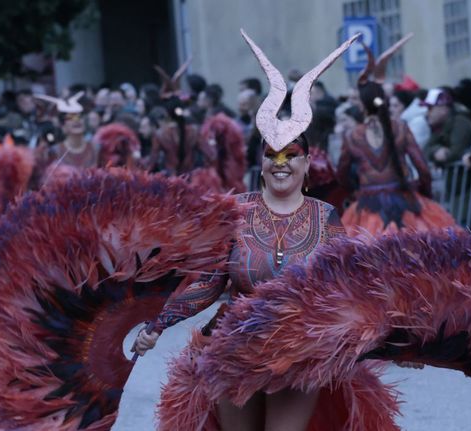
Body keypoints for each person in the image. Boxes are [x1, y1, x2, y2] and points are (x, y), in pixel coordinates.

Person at [134, 30, 373, 431]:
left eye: (291, 155)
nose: (281, 163)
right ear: (261, 161)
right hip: (234, 344)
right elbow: (209, 282)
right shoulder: (235, 211)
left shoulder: (325, 217)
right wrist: (158, 325)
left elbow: (349, 288)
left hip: (298, 347)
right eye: (271, 154)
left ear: (307, 162)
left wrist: (398, 337)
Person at [336, 41, 454, 236]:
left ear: (362, 106)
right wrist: (424, 194)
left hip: (367, 206)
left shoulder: (352, 135)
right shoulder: (400, 128)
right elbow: (422, 167)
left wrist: (356, 192)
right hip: (404, 203)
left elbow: (342, 174)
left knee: (364, 261)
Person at [423, 88, 471, 166]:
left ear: (444, 109)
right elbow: (425, 150)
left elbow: (455, 152)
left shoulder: (461, 123)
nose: (426, 114)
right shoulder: (439, 126)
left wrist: (438, 152)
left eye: (430, 108)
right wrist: (436, 150)